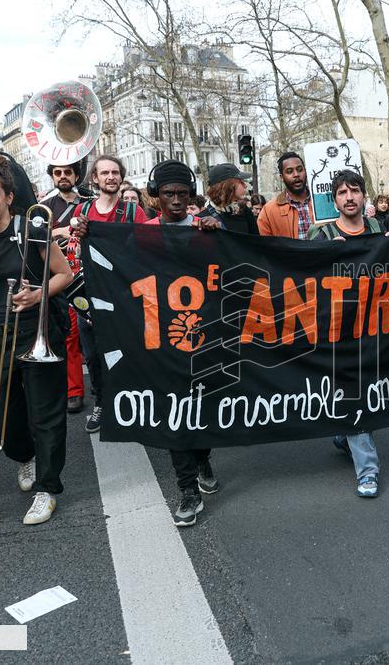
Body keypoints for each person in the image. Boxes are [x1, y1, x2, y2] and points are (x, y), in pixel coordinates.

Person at [0, 155, 74, 525]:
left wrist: (38, 293)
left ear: (9, 196)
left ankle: (48, 487)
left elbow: (64, 274)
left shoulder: (33, 226)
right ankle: (25, 455)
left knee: (47, 415)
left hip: (36, 328)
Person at [142, 160, 221, 525]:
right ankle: (187, 489)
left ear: (191, 195)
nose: (175, 201)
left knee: (204, 406)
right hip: (162, 338)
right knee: (175, 412)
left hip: (205, 335)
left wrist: (219, 235)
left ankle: (202, 455)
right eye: (168, 194)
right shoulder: (141, 235)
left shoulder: (207, 231)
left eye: (182, 194)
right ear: (155, 196)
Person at [308, 170, 386, 497]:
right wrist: (322, 256)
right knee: (354, 394)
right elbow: (299, 275)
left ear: (364, 195)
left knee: (370, 392)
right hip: (338, 331)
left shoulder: (379, 229)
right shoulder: (321, 234)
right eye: (342, 192)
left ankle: (344, 435)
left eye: (355, 190)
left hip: (377, 328)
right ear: (335, 200)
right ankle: (367, 470)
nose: (349, 197)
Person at [71, 155, 149, 433]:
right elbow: (73, 249)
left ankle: (132, 405)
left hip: (124, 294)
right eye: (104, 173)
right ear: (95, 178)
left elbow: (146, 248)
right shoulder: (82, 210)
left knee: (129, 351)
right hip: (90, 294)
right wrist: (76, 234)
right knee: (93, 355)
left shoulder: (133, 212)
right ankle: (102, 403)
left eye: (115, 172)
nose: (111, 177)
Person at [41, 162, 88, 414]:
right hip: (64, 279)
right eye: (57, 173)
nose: (62, 177)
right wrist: (63, 229)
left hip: (91, 274)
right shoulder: (45, 207)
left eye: (67, 172)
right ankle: (74, 391)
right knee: (69, 336)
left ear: (76, 175)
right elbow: (39, 238)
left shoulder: (89, 201)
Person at [257, 152, 315, 239]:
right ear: (282, 177)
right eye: (289, 171)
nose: (296, 175)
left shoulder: (322, 201)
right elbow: (266, 248)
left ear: (305, 171)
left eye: (300, 169)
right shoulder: (268, 212)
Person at [197, 164, 258, 234]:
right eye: (240, 182)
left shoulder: (244, 211)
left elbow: (256, 241)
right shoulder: (203, 220)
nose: (245, 185)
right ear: (228, 186)